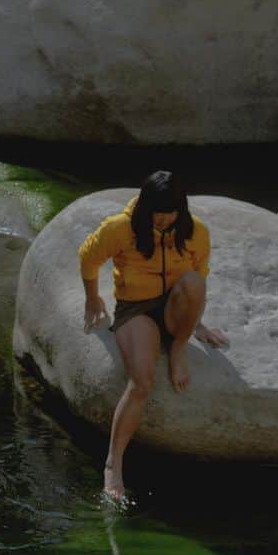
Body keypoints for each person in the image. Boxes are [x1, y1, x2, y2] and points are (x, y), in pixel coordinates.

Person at [78, 171, 228, 501]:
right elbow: (88, 257)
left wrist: (195, 324)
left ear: (181, 208)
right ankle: (113, 465)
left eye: (171, 211)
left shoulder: (196, 232)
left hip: (174, 305)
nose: (163, 218)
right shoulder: (120, 227)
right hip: (136, 310)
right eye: (158, 212)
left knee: (194, 282)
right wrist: (93, 297)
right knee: (142, 383)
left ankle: (177, 349)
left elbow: (199, 276)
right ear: (146, 207)